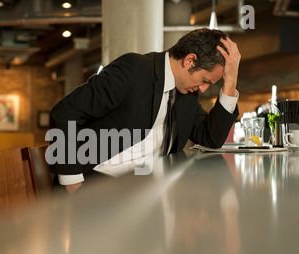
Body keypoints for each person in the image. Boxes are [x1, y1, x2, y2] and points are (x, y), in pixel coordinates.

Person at [48, 28, 241, 194]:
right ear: (190, 61)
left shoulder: (187, 94)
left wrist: (230, 84)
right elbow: (65, 113)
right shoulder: (134, 69)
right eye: (206, 80)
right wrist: (73, 183)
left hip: (147, 189)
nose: (203, 89)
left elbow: (211, 139)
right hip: (97, 185)